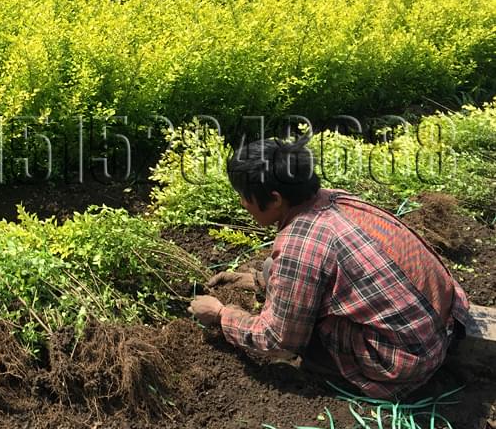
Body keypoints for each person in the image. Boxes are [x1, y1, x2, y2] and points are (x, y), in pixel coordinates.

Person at [187, 137, 470, 398]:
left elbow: (277, 341)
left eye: (245, 196)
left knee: (304, 340)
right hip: (445, 323)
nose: (242, 204)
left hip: (405, 359)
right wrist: (258, 281)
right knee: (272, 267)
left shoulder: (301, 246)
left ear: (275, 199)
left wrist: (221, 314)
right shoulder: (335, 198)